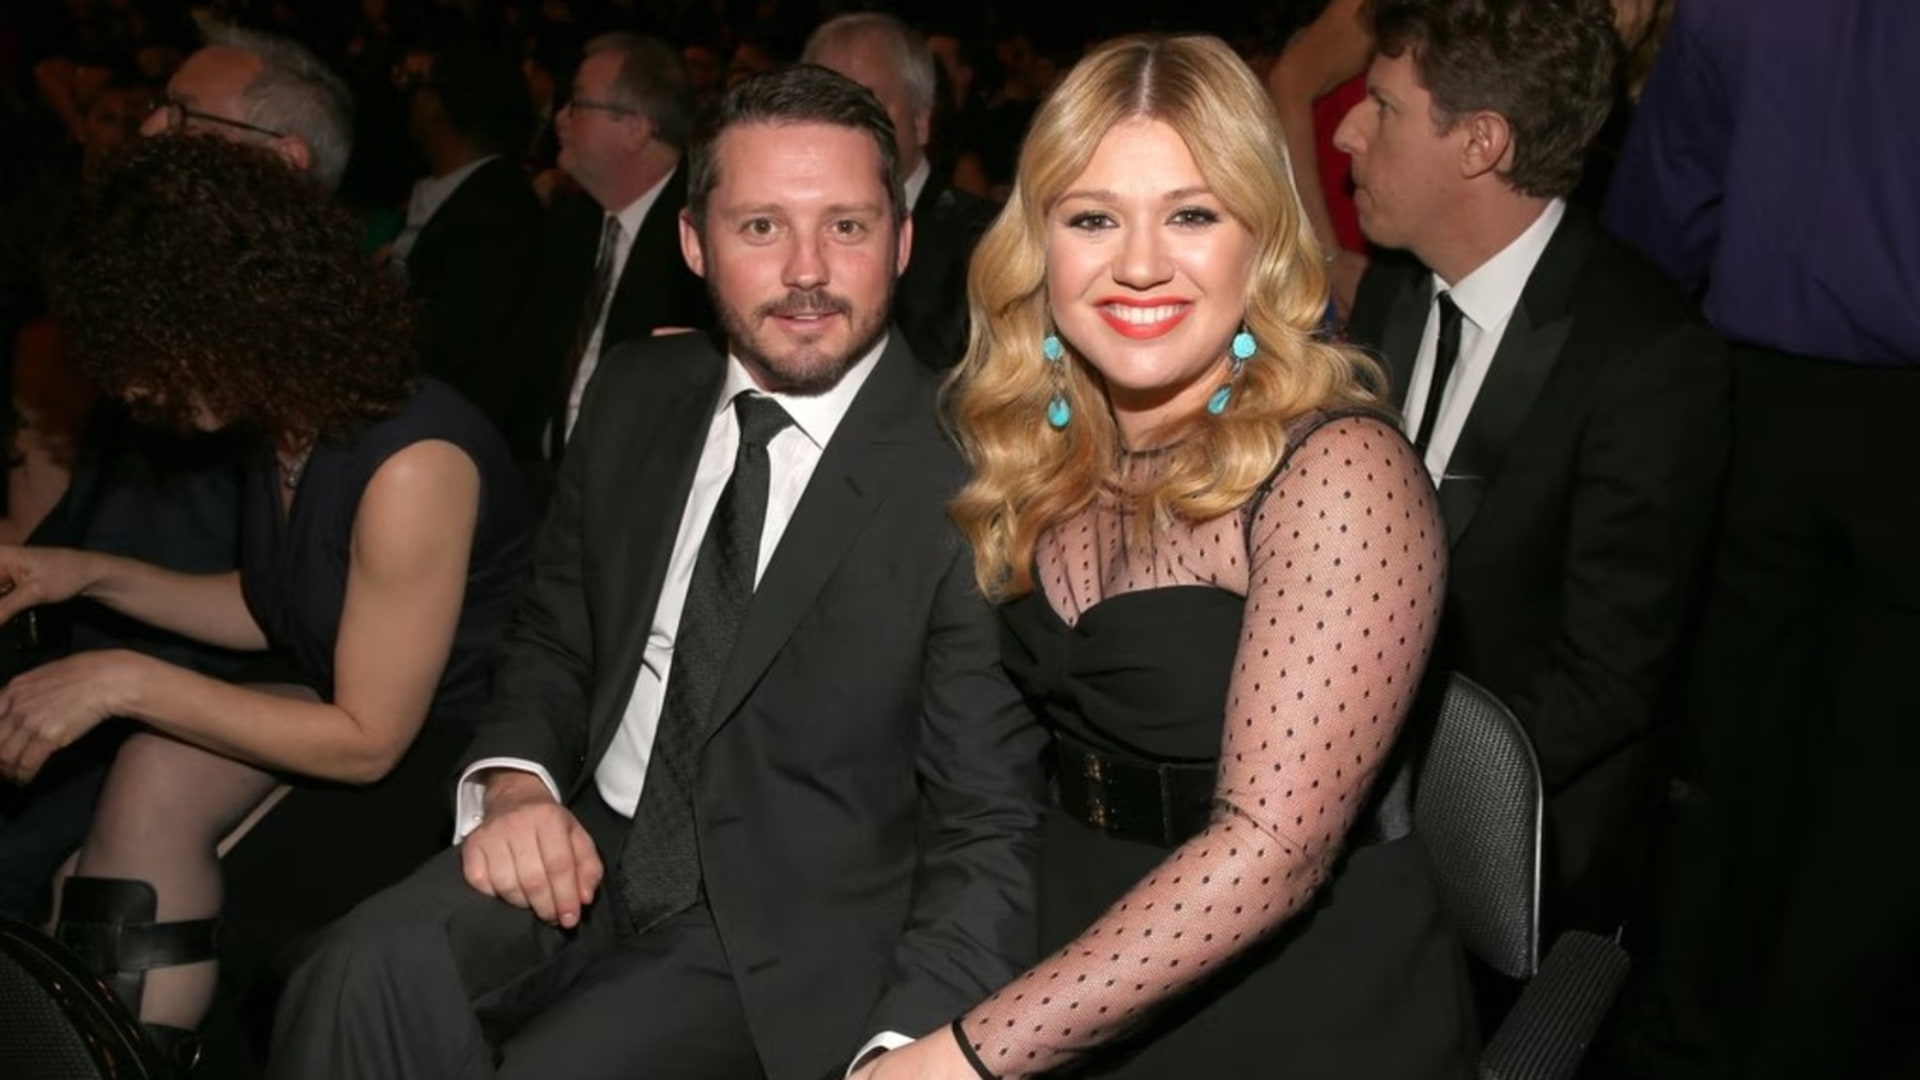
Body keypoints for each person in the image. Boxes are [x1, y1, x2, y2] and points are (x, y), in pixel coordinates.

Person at [265, 65, 1047, 1080]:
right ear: (693, 242)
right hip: (586, 842)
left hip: (777, 924)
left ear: (899, 244)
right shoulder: (639, 390)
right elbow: (555, 634)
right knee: (348, 975)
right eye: (761, 227)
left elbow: (988, 819)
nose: (807, 271)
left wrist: (916, 1042)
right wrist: (513, 783)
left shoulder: (971, 476)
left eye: (847, 227)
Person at [856, 33, 1473, 1080]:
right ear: (1039, 243)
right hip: (1069, 932)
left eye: (1192, 214)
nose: (1139, 263)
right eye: (1093, 217)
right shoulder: (1044, 445)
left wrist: (956, 1060)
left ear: (1262, 240)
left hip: (1293, 1007)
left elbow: (1270, 855)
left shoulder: (1340, 473)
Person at [3, 133, 532, 1067]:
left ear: (241, 314)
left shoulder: (410, 462)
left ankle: (113, 1049)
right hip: (347, 708)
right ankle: (107, 1051)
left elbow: (369, 742)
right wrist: (86, 573)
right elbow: (274, 605)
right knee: (128, 815)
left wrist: (126, 677)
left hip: (455, 755)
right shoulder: (290, 419)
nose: (131, 383)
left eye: (153, 341)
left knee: (141, 863)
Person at [1336, 0, 1728, 936]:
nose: (1346, 130)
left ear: (1480, 143)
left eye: (1383, 107)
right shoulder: (1397, 283)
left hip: (1504, 858)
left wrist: (1374, 795)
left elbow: (1606, 678)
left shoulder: (1648, 358)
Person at [1602, 2, 1920, 1076]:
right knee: (1878, 786)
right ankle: (1806, 1045)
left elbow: (1659, 217)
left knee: (1735, 754)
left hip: (1767, 411)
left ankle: (1694, 1031)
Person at [499, 32, 712, 475]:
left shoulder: (702, 241)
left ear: (635, 128)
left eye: (578, 104)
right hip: (537, 481)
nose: (560, 119)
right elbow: (520, 370)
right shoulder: (571, 223)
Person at [803, 13, 996, 370]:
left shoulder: (987, 246)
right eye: (816, 106)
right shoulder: (781, 239)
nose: (834, 126)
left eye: (862, 105)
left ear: (921, 121)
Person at [387, 40, 543, 434]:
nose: (410, 100)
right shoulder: (455, 194)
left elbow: (449, 344)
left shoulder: (494, 214)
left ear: (439, 106)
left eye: (421, 89)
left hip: (441, 430)